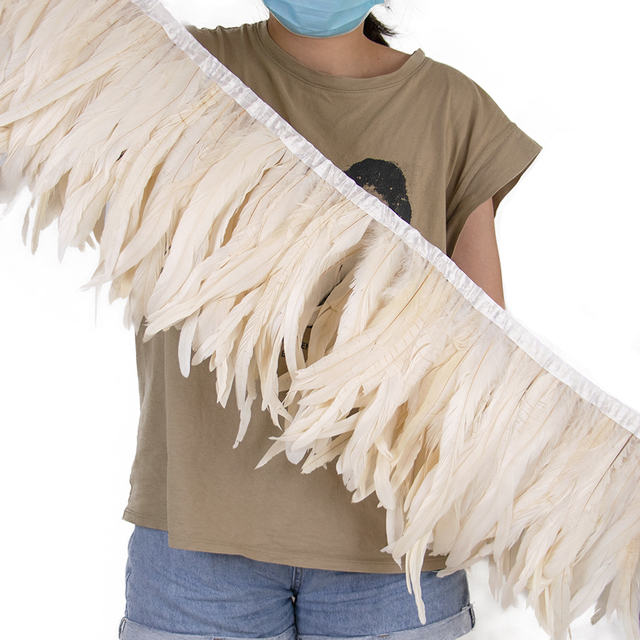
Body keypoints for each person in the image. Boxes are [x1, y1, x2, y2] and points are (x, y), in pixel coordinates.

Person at [118, 1, 542, 639]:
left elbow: (483, 353)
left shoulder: (450, 109)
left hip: (393, 553)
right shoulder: (178, 67)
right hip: (197, 535)